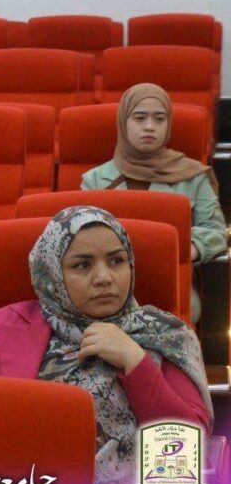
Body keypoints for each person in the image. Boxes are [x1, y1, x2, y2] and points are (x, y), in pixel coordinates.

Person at [0, 206, 212, 484]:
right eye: (82, 265)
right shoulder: (6, 324)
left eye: (116, 261)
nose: (104, 277)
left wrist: (135, 360)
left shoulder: (165, 335)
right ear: (52, 272)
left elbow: (189, 442)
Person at [81, 82, 227, 321]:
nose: (149, 126)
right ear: (123, 122)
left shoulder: (193, 176)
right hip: (105, 289)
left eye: (159, 119)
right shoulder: (94, 180)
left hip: (171, 287)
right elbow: (82, 239)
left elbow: (216, 230)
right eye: (140, 118)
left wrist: (186, 249)